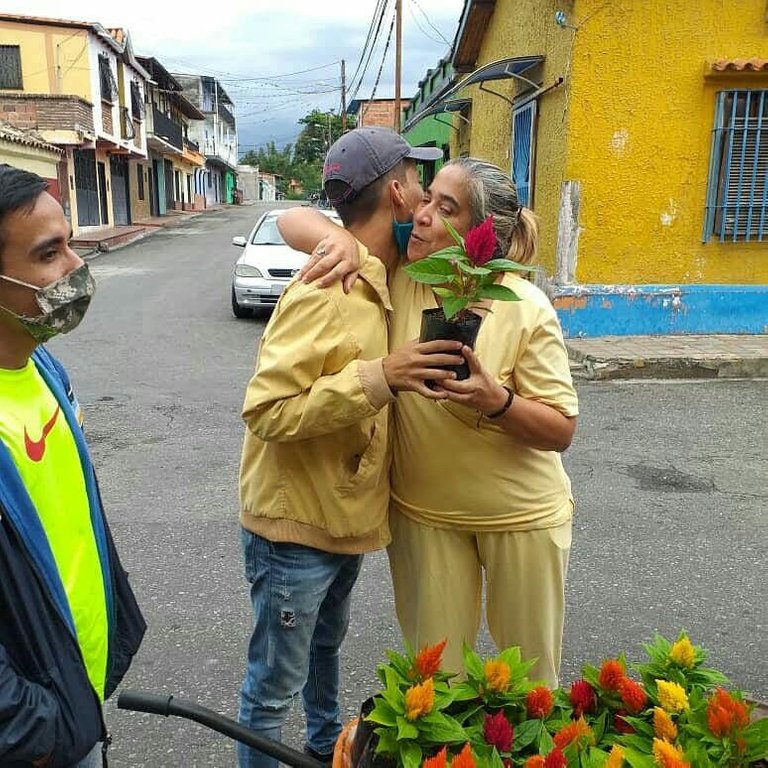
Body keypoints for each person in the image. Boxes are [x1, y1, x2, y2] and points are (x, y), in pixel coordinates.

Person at [279, 157, 578, 687]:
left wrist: (497, 400)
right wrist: (338, 239)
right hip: (424, 517)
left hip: (521, 517)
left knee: (532, 690)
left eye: (447, 208)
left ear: (482, 231)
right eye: (427, 197)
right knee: (438, 686)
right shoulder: (401, 266)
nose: (422, 214)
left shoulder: (525, 305)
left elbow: (561, 429)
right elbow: (291, 220)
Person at [236, 127, 457, 768]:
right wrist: (380, 378)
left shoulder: (383, 276)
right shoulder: (326, 290)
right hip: (295, 529)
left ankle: (321, 753)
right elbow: (267, 409)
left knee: (325, 655)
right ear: (395, 189)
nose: (423, 199)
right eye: (417, 183)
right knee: (273, 690)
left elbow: (495, 225)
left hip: (344, 520)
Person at [0, 164, 146, 767]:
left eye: (71, 244)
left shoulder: (44, 372)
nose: (75, 269)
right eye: (48, 253)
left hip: (73, 693)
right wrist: (36, 731)